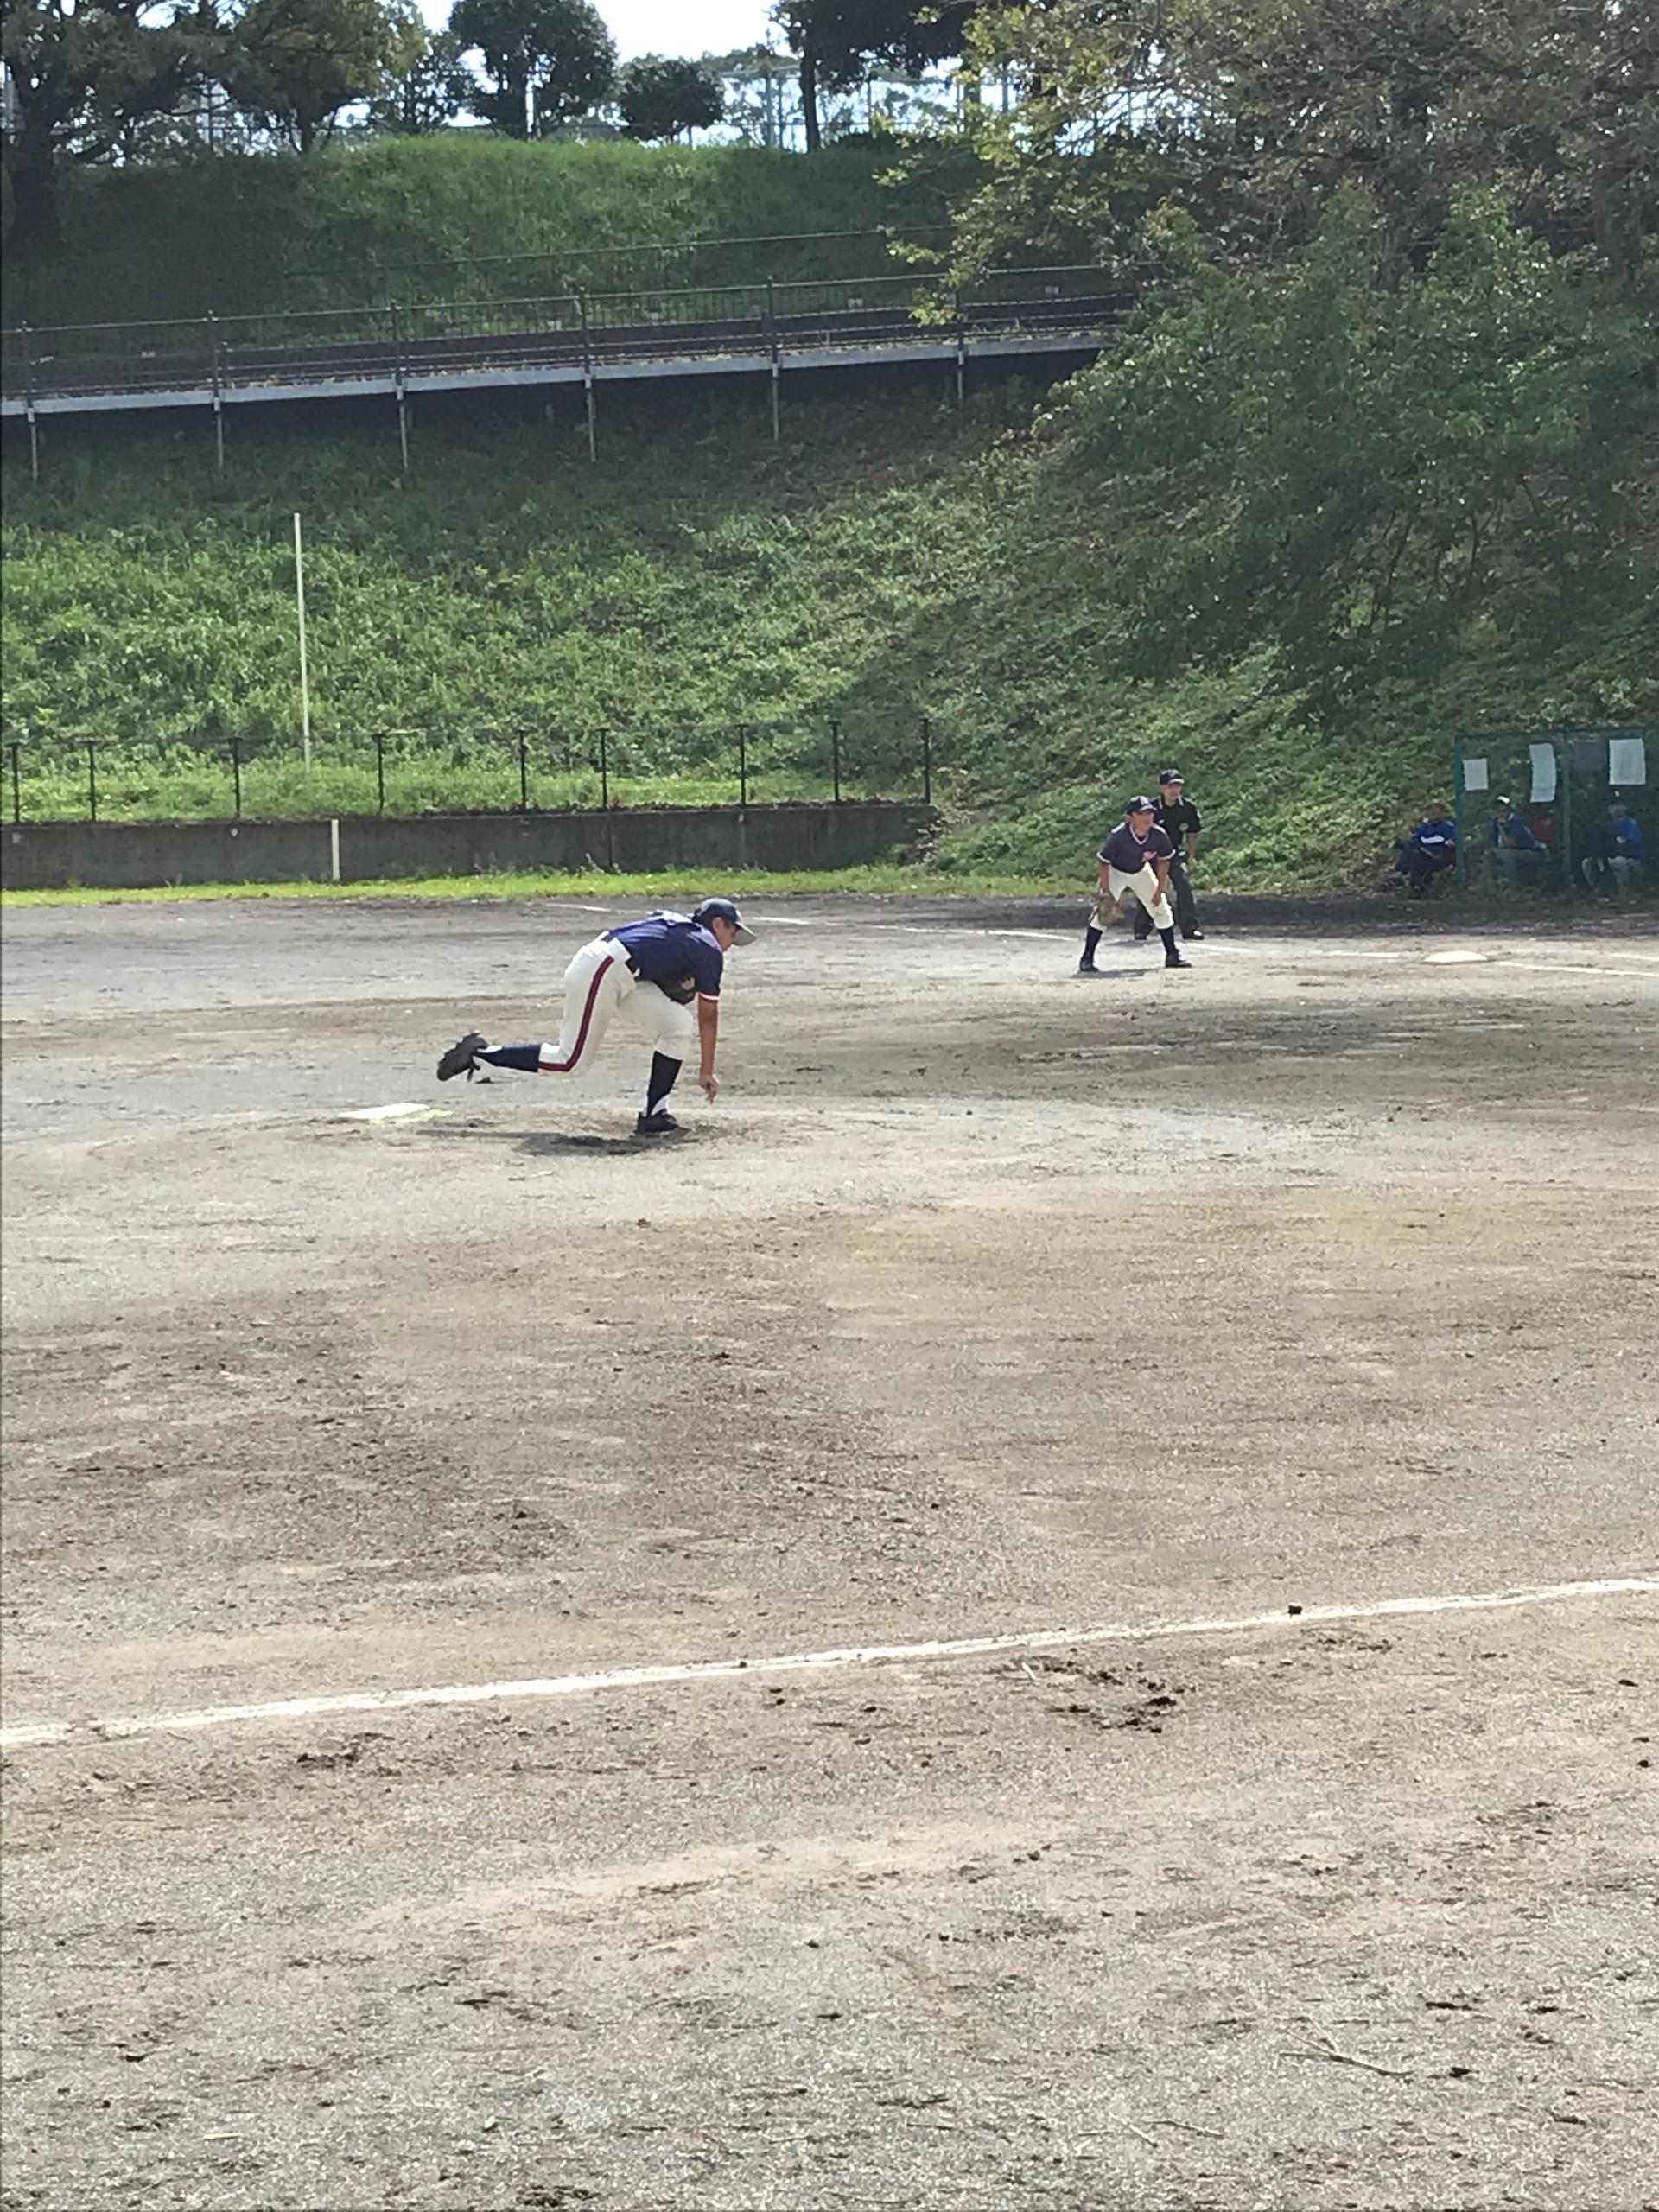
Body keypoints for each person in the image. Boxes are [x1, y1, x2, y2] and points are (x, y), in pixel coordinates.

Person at [435, 898, 755, 1136]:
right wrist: (707, 1070)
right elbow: (708, 1016)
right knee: (570, 1062)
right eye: (732, 933)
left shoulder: (685, 933)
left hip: (623, 973)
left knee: (677, 1026)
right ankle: (479, 1055)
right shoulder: (706, 946)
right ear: (717, 925)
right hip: (603, 968)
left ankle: (655, 1113)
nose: (732, 944)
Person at [1077, 798, 1192, 972]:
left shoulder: (1158, 835)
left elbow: (1164, 861)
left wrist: (1159, 889)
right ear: (1129, 818)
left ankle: (1172, 954)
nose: (1147, 817)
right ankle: (1087, 958)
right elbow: (1103, 862)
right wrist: (1106, 891)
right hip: (1116, 871)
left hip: (1140, 871)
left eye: (1149, 812)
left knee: (1161, 908)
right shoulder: (1118, 836)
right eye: (1141, 813)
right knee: (1103, 913)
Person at [1132, 769, 1205, 943]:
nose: (1175, 790)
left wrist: (1191, 855)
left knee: (1184, 886)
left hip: (1173, 853)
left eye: (1178, 786)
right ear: (1162, 788)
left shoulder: (1187, 808)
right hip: (1152, 855)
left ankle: (1189, 928)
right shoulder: (1152, 808)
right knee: (1149, 888)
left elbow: (1193, 833)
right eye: (1171, 786)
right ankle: (1142, 928)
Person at [1580, 802, 1646, 895]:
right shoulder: (1606, 826)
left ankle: (1622, 891)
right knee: (1586, 863)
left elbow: (1633, 844)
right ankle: (1598, 889)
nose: (1617, 808)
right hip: (1608, 856)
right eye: (1615, 805)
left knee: (1619, 862)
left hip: (1631, 859)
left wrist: (1616, 849)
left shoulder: (1631, 823)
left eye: (1620, 805)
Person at [1395, 808, 1458, 898]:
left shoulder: (1447, 827)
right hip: (1423, 853)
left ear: (1442, 814)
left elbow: (1453, 841)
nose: (1434, 814)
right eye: (1432, 812)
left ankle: (1402, 872)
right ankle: (1413, 882)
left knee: (1414, 853)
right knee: (1412, 850)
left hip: (1438, 854)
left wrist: (1449, 843)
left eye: (1437, 812)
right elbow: (1416, 838)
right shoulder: (1425, 827)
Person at [1486, 798, 1544, 889]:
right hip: (1510, 851)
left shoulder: (1516, 821)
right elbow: (1493, 842)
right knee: (1489, 855)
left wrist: (1501, 828)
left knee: (1506, 855)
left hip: (1531, 851)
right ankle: (1491, 886)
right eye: (1498, 811)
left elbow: (1510, 843)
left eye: (1503, 811)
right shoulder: (1495, 822)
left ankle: (1512, 887)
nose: (1501, 814)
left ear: (1509, 811)